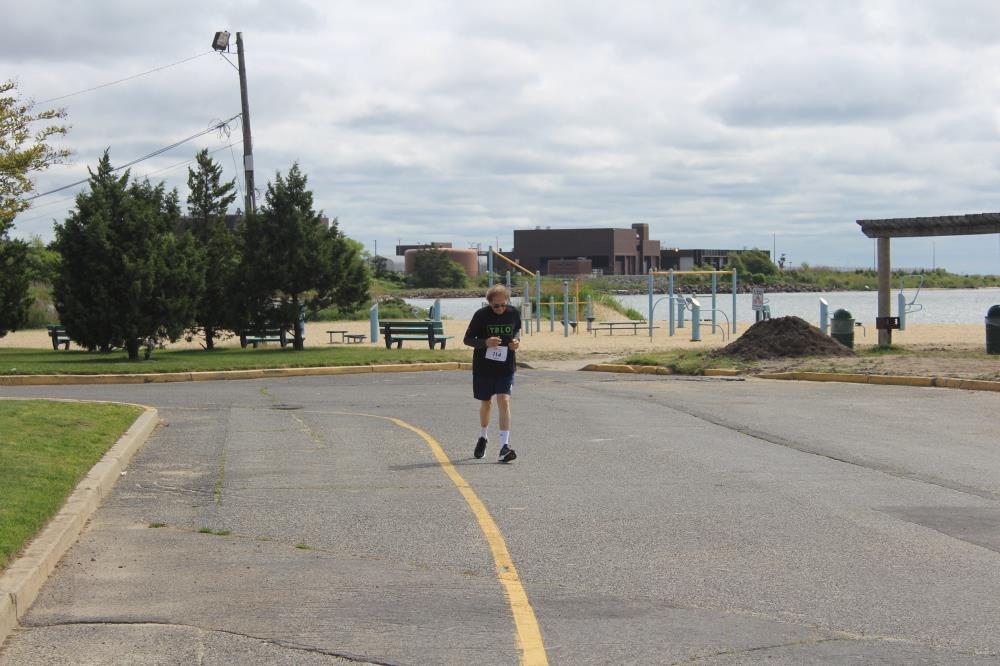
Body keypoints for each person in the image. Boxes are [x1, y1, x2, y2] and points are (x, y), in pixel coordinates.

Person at [464, 284, 521, 462]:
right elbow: (467, 339)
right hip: (484, 367)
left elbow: (517, 331)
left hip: (506, 366)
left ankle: (504, 446)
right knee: (486, 403)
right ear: (489, 303)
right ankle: (483, 437)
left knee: (503, 400)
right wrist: (485, 342)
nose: (500, 309)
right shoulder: (481, 316)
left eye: (503, 304)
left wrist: (516, 341)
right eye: (496, 306)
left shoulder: (513, 313)